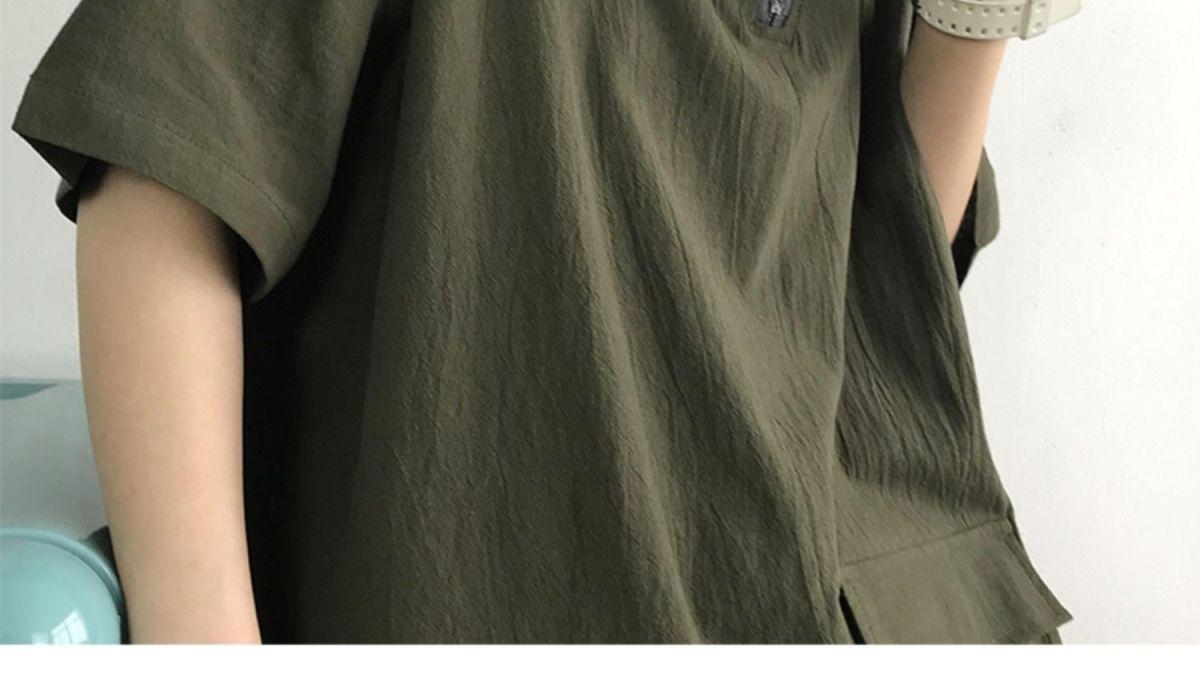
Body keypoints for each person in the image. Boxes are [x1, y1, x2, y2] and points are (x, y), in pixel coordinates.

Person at [11, 0, 1081, 643]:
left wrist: (974, 25)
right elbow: (164, 171)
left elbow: (885, 285)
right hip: (515, 587)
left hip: (845, 596)